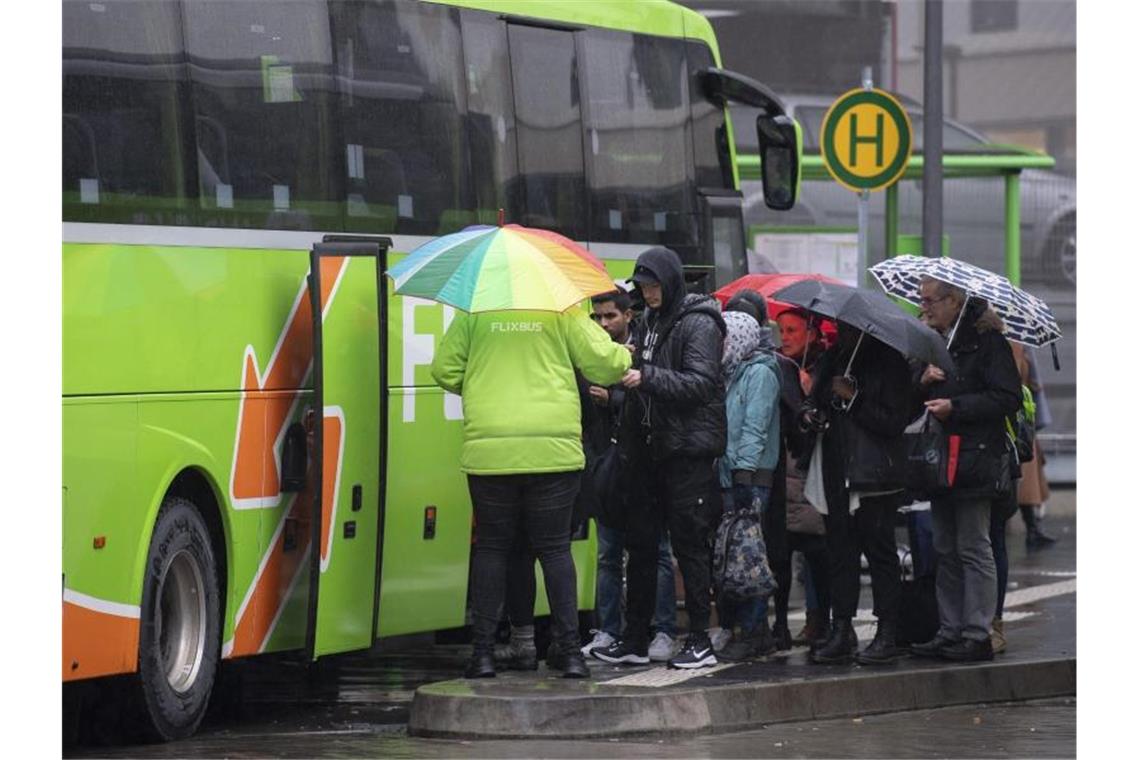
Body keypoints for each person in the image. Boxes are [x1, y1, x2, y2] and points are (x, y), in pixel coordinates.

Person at [432, 301, 632, 679]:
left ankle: (483, 655)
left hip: (490, 449)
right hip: (553, 451)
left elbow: (443, 369)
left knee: (492, 547)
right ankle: (571, 654)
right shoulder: (562, 309)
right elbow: (607, 363)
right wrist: (625, 354)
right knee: (556, 550)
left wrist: (479, 387)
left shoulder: (475, 312)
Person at [592, 246, 727, 670]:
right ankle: (634, 638)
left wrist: (646, 377)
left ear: (669, 282)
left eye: (652, 287)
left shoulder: (699, 323)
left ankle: (700, 639)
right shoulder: (648, 321)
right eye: (643, 288)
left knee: (689, 546)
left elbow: (701, 384)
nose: (647, 295)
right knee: (641, 547)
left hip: (686, 452)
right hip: (649, 451)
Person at [910, 277, 1021, 663]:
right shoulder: (936, 342)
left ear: (954, 301)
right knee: (945, 546)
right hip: (939, 459)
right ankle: (950, 628)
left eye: (931, 301)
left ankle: (977, 632)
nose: (925, 308)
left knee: (973, 544)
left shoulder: (987, 342)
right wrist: (922, 380)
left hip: (975, 457)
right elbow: (912, 395)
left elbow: (1007, 398)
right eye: (921, 300)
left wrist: (955, 405)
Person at [579, 289, 681, 663]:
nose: (604, 324)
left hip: (641, 467)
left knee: (654, 552)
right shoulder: (590, 352)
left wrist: (614, 399)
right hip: (606, 465)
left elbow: (655, 398)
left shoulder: (644, 349)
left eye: (610, 317)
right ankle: (610, 629)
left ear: (628, 316)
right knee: (608, 553)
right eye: (598, 318)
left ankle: (664, 630)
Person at [803, 323, 913, 666]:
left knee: (879, 552)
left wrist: (855, 398)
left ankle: (887, 631)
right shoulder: (834, 357)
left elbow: (894, 421)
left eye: (850, 328)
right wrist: (812, 413)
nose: (843, 331)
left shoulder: (889, 361)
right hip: (836, 467)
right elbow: (818, 400)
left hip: (874, 474)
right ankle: (841, 627)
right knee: (840, 551)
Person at [714, 310, 782, 660]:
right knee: (735, 555)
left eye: (724, 337)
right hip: (729, 476)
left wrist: (743, 472)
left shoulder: (760, 373)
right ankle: (753, 628)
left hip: (751, 478)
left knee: (749, 554)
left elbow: (755, 426)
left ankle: (754, 631)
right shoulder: (731, 372)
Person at [773, 308, 830, 648]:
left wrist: (811, 395)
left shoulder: (822, 367)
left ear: (811, 333)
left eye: (792, 330)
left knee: (817, 553)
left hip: (811, 474)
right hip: (784, 474)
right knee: (781, 554)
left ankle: (820, 620)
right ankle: (780, 622)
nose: (785, 337)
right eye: (781, 330)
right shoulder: (780, 368)